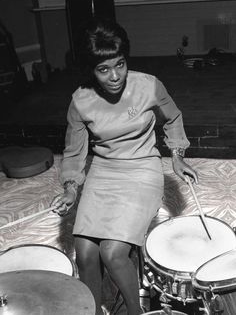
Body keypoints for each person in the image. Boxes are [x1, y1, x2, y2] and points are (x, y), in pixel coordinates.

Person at [51, 19, 198, 315]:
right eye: (103, 69)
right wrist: (70, 188)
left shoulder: (149, 85)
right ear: (90, 71)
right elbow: (74, 151)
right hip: (104, 170)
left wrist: (177, 154)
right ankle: (92, 310)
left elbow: (173, 117)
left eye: (120, 64)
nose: (115, 76)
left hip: (143, 168)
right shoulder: (80, 101)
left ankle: (134, 310)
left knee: (113, 252)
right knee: (85, 252)